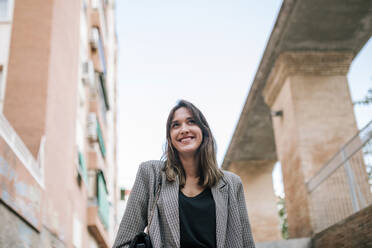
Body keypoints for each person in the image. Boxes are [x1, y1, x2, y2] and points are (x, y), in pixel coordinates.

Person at [113, 100, 256, 248]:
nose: (184, 129)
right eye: (176, 125)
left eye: (191, 122)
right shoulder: (150, 174)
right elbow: (123, 243)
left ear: (204, 131)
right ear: (170, 137)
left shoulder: (232, 183)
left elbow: (246, 244)